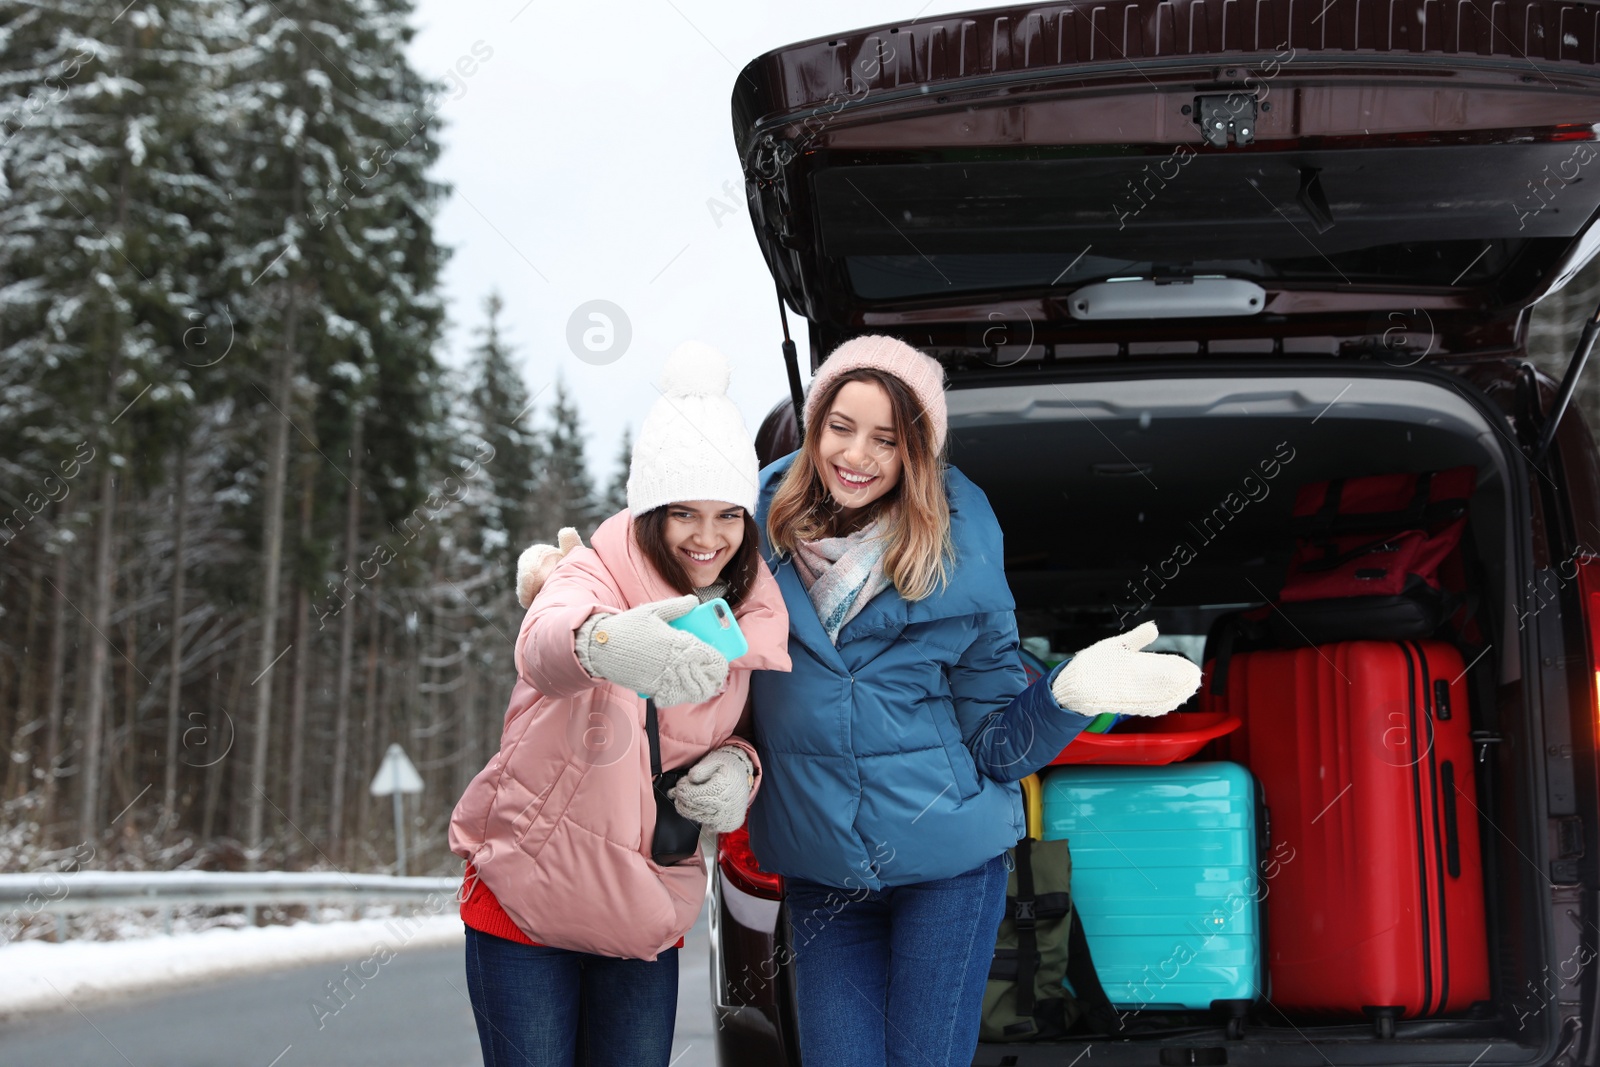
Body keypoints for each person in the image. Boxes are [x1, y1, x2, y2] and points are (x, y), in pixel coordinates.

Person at [750, 334, 1200, 1067]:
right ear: (815, 426)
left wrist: (1067, 694)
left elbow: (995, 745)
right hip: (822, 877)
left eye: (886, 439)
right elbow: (684, 635)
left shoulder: (959, 560)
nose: (856, 454)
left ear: (914, 454)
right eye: (841, 426)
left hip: (947, 871)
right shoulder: (751, 544)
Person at [448, 341, 791, 1067]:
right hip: (524, 903)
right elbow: (542, 641)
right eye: (684, 514)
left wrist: (738, 768)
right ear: (651, 511)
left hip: (643, 913)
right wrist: (602, 642)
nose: (708, 537)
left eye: (728, 514)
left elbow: (745, 734)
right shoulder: (594, 571)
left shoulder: (748, 617)